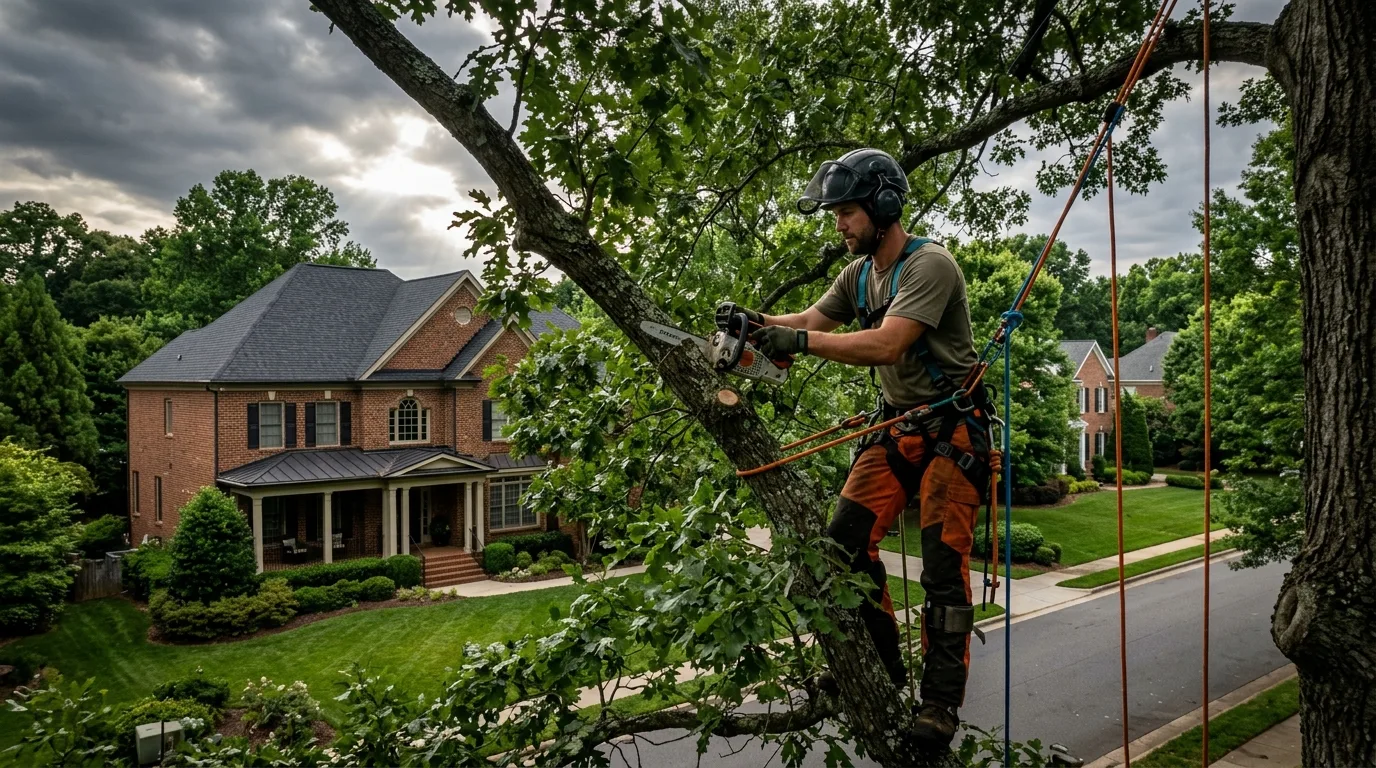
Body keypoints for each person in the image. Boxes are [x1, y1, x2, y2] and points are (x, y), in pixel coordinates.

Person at [717, 148, 996, 749]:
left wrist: (801, 341)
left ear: (883, 206)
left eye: (846, 212)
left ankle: (939, 706)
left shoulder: (931, 266)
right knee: (840, 546)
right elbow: (811, 317)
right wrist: (759, 323)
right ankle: (883, 664)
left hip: (954, 430)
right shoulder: (859, 272)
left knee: (943, 568)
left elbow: (889, 345)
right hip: (899, 426)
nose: (838, 224)